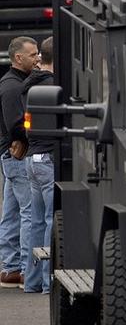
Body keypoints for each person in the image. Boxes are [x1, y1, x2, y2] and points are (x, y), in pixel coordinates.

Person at [0, 36, 39, 289]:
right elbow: (16, 125)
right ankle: (25, 269)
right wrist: (28, 137)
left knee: (11, 213)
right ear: (18, 58)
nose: (37, 58)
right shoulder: (13, 87)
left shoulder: (14, 82)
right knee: (28, 213)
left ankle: (9, 267)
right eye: (33, 54)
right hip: (17, 155)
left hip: (9, 156)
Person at [22, 36, 55, 294]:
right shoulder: (53, 86)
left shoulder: (28, 85)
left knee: (36, 223)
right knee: (51, 221)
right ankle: (47, 282)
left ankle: (32, 281)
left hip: (32, 159)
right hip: (48, 159)